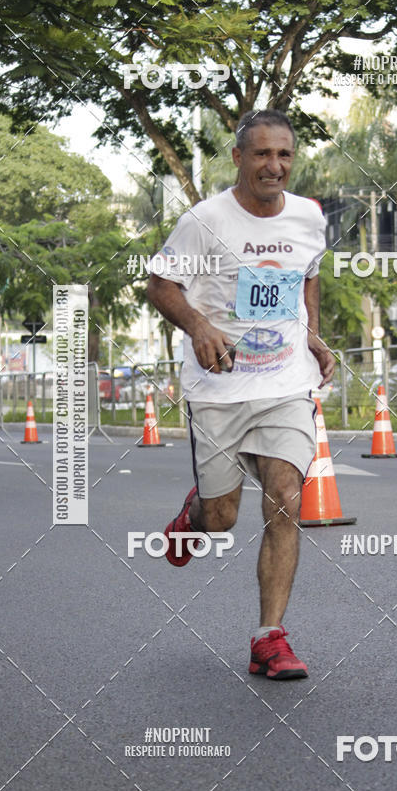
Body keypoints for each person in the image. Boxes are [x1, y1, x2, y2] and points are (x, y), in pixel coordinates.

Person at [146, 109, 334, 680]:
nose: (273, 166)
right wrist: (199, 325)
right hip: (219, 387)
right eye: (261, 154)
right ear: (238, 157)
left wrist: (311, 335)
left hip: (284, 382)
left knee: (284, 497)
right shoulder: (206, 221)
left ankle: (268, 637)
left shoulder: (308, 217)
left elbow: (307, 277)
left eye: (283, 155)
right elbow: (160, 283)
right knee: (223, 518)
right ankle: (195, 513)